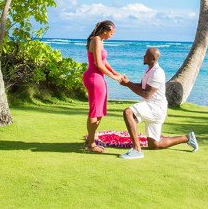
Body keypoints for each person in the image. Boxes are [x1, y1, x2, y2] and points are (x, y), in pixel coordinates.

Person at [118, 47, 198, 160]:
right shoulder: (149, 70)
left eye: (146, 55)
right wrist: (128, 83)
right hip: (152, 106)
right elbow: (142, 87)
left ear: (153, 58)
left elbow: (146, 94)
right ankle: (187, 138)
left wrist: (128, 84)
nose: (143, 56)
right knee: (154, 145)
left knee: (128, 112)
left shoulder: (157, 73)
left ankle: (137, 150)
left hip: (155, 107)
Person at [82, 20, 125, 153]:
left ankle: (91, 141)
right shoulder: (96, 40)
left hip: (99, 77)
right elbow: (98, 65)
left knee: (99, 111)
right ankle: (91, 145)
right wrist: (114, 78)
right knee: (95, 111)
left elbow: (104, 61)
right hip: (94, 77)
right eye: (111, 33)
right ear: (105, 30)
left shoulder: (100, 40)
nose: (111, 36)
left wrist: (115, 72)